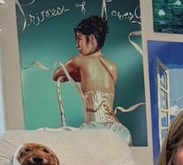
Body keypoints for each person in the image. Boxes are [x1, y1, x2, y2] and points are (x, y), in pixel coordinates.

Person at [52, 15, 133, 145]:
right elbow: (95, 82)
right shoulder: (113, 66)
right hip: (120, 131)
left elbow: (56, 76)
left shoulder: (78, 61)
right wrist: (82, 76)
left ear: (91, 39)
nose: (76, 44)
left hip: (93, 130)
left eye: (79, 39)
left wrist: (75, 75)